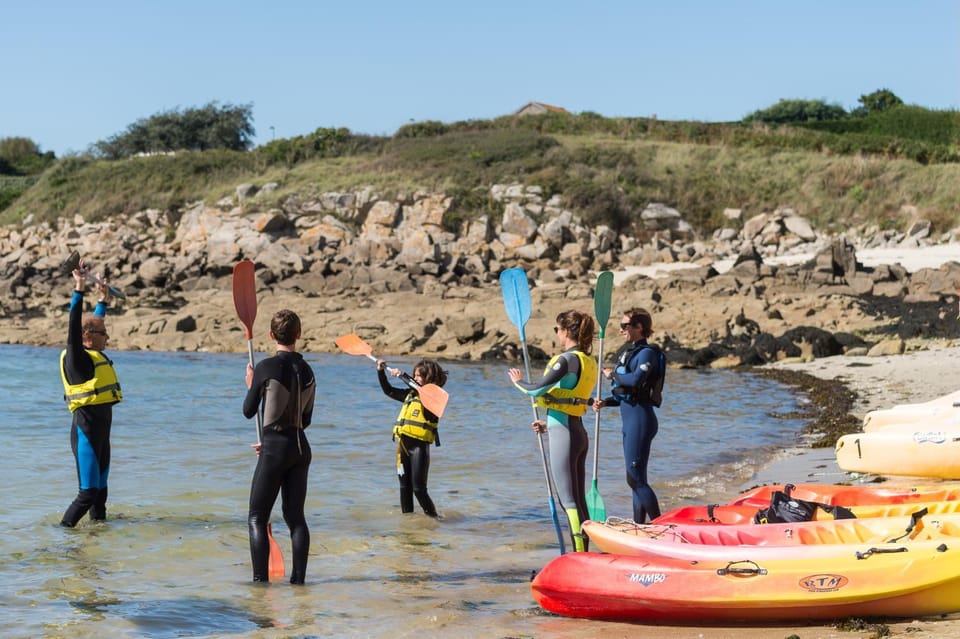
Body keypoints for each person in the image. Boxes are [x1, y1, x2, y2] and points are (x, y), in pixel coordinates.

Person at [508, 310, 597, 551]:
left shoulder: (567, 359)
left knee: (568, 500)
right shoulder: (588, 360)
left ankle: (579, 555)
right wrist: (549, 424)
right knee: (578, 499)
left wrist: (518, 381)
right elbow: (569, 399)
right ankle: (584, 551)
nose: (557, 334)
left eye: (557, 329)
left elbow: (535, 390)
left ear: (566, 331)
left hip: (565, 435)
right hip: (575, 432)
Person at [242, 309, 316, 584]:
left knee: (257, 518)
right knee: (296, 518)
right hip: (300, 449)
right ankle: (299, 582)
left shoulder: (265, 367)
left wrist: (252, 385)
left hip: (275, 449)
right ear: (298, 334)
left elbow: (249, 411)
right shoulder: (308, 371)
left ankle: (260, 585)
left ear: (271, 335)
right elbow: (304, 419)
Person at [59, 258, 122, 527]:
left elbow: (92, 323)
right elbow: (75, 327)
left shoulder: (93, 354)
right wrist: (79, 288)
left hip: (101, 433)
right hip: (86, 431)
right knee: (87, 493)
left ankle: (98, 544)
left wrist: (103, 302)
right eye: (103, 334)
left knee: (101, 494)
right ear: (88, 336)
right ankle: (62, 536)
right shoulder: (78, 359)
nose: (107, 338)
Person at [592, 307, 666, 524]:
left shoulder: (646, 353)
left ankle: (660, 526)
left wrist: (611, 374)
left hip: (641, 420)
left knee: (634, 478)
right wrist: (607, 402)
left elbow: (634, 381)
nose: (621, 329)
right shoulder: (629, 352)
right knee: (636, 478)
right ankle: (640, 526)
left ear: (639, 327)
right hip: (631, 419)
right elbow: (627, 394)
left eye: (625, 325)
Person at [376, 359, 448, 518]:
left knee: (419, 489)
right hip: (403, 448)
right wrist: (381, 372)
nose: (416, 378)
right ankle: (408, 523)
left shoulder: (433, 400)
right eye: (414, 375)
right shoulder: (409, 395)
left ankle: (434, 519)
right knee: (404, 487)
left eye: (420, 376)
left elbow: (424, 394)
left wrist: (404, 376)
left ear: (430, 378)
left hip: (419, 449)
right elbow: (388, 390)